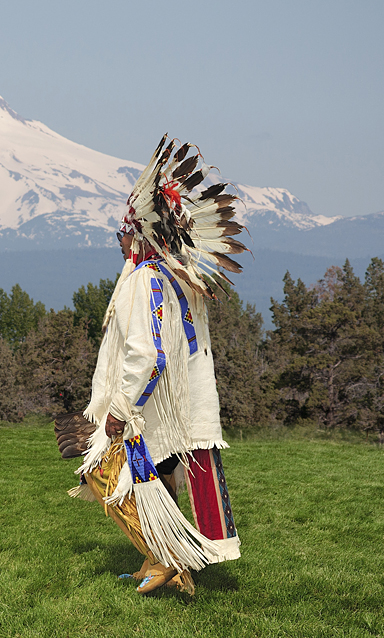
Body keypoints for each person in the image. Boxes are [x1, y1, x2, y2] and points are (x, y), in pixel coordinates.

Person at [69, 135, 244, 595]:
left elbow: (148, 355)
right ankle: (159, 557)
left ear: (140, 233)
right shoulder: (178, 273)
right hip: (177, 400)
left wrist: (118, 410)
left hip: (153, 404)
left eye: (123, 232)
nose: (120, 240)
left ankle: (167, 556)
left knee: (134, 477)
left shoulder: (147, 278)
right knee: (158, 475)